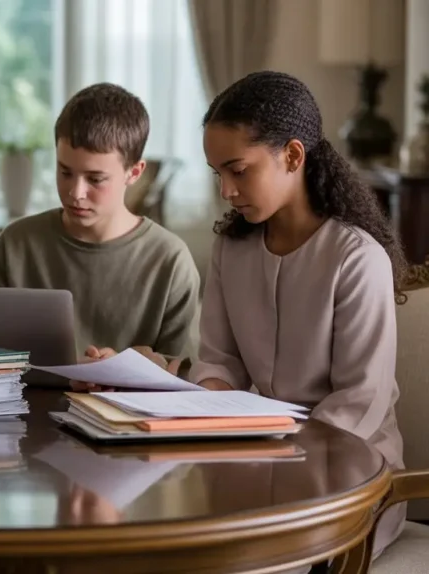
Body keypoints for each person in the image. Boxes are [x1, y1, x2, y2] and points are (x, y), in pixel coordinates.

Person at [77, 71, 407, 559]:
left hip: (348, 476)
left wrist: (273, 455)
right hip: (260, 459)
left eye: (238, 169)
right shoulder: (232, 250)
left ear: (293, 156)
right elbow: (220, 365)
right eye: (217, 174)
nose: (226, 190)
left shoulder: (356, 260)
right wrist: (184, 400)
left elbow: (359, 401)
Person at [0, 83, 200, 363]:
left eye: (95, 179)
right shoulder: (16, 243)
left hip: (128, 406)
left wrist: (126, 369)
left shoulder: (170, 260)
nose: (76, 193)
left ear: (134, 172)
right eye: (65, 172)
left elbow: (182, 373)